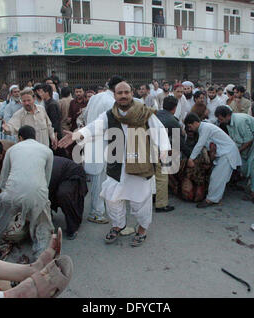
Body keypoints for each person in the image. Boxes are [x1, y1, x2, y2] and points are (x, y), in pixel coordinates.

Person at [58, 81, 171, 247]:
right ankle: (118, 225)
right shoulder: (109, 115)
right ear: (115, 95)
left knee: (141, 200)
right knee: (112, 197)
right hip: (117, 164)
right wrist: (76, 135)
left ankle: (142, 229)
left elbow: (159, 130)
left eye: (126, 92)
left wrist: (164, 149)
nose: (123, 95)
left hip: (140, 164)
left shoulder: (144, 112)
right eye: (120, 93)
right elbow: (94, 127)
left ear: (132, 93)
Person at [0, 125, 55, 257]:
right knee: (42, 221)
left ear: (20, 137)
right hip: (38, 192)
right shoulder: (47, 151)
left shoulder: (12, 150)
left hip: (13, 192)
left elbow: (4, 178)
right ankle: (41, 253)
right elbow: (47, 178)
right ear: (35, 137)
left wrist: (0, 194)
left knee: (1, 214)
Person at [81, 75, 124, 225]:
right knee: (100, 180)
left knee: (97, 179)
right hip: (104, 143)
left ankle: (99, 208)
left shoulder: (95, 97)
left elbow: (85, 116)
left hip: (93, 141)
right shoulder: (111, 102)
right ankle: (96, 212)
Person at [185, 113, 242, 208]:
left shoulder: (205, 128)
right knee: (218, 177)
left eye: (190, 126)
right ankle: (214, 198)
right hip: (224, 153)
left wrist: (191, 159)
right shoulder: (204, 128)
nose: (190, 129)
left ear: (195, 123)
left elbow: (200, 144)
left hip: (226, 153)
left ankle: (211, 200)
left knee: (217, 177)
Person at [215, 106, 254, 200]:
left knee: (253, 165)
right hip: (243, 142)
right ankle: (245, 183)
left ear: (228, 116)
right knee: (243, 164)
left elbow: (249, 139)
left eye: (221, 119)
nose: (220, 121)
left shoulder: (239, 121)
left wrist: (238, 151)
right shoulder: (228, 123)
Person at [154, 96, 192, 212]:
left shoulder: (156, 115)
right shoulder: (172, 121)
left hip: (147, 149)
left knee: (152, 176)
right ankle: (161, 205)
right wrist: (190, 155)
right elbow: (179, 143)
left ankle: (154, 196)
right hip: (159, 151)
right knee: (162, 178)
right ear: (175, 108)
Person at [49, 156, 88, 240]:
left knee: (64, 194)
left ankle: (73, 226)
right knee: (44, 193)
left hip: (73, 175)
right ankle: (47, 217)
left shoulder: (48, 171)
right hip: (59, 175)